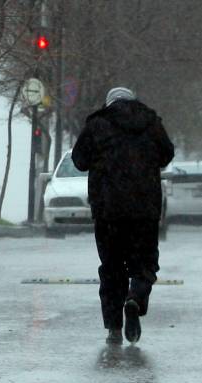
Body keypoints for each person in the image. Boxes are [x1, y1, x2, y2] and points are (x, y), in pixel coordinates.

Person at [72, 87, 174, 344]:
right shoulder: (151, 122)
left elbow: (79, 160)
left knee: (111, 267)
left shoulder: (97, 124)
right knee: (145, 263)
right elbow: (167, 154)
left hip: (108, 211)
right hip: (144, 209)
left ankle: (114, 327)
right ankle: (135, 298)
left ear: (108, 103)